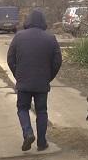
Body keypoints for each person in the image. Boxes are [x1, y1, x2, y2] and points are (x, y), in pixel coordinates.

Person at [7, 9, 62, 152]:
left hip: (24, 82)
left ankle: (28, 133)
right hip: (42, 83)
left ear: (28, 22)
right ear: (43, 23)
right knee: (42, 111)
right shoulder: (51, 39)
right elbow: (57, 62)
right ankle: (42, 143)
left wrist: (18, 75)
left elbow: (10, 59)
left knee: (23, 108)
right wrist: (48, 77)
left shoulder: (18, 37)